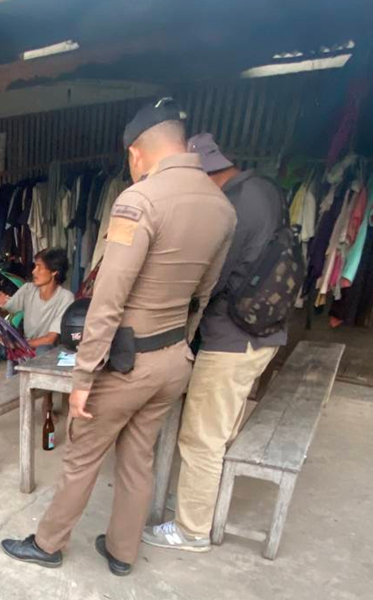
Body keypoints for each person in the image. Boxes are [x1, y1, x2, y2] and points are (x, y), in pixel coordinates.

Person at [0, 98, 237, 576]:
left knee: (81, 458)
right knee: (137, 459)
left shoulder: (139, 200)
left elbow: (108, 299)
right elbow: (203, 294)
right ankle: (123, 551)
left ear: (135, 152)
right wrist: (180, 345)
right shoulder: (222, 206)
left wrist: (84, 376)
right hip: (173, 361)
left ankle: (47, 544)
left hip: (127, 365)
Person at [143, 133, 287, 552]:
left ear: (205, 173)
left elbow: (211, 280)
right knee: (219, 430)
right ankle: (200, 502)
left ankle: (192, 530)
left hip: (231, 339)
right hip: (261, 333)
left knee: (200, 437)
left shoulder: (234, 206)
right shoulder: (265, 189)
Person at [0, 248, 74, 385]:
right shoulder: (28, 289)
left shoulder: (66, 298)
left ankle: (44, 395)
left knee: (44, 351)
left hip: (47, 348)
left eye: (39, 267)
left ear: (54, 271)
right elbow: (6, 311)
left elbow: (50, 339)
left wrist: (18, 344)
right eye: (34, 266)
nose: (33, 272)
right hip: (24, 344)